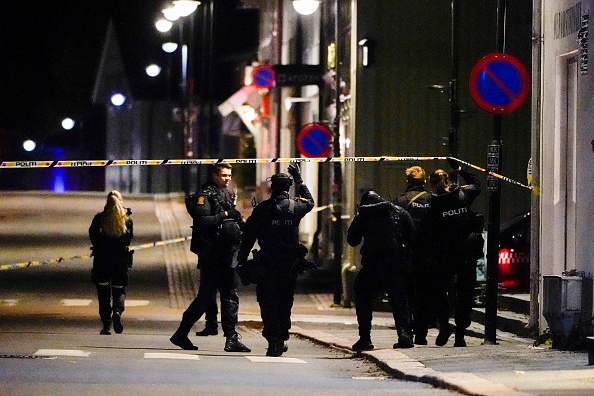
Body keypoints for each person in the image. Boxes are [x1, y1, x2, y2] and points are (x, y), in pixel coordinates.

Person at [171, 163, 250, 353]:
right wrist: (225, 215)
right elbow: (202, 222)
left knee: (230, 296)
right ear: (214, 175)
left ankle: (231, 338)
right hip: (212, 255)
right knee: (205, 298)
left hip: (229, 253)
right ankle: (181, 333)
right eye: (223, 175)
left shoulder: (228, 194)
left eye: (229, 175)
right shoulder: (204, 196)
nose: (227, 178)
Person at [237, 164, 314, 357]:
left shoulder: (262, 209)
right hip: (289, 265)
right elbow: (311, 202)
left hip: (267, 263)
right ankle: (281, 336)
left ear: (272, 188)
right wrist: (300, 180)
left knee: (267, 301)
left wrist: (240, 260)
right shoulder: (296, 207)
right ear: (288, 188)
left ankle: (273, 338)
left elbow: (249, 237)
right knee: (285, 301)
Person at [347, 190, 416, 351]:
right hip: (395, 264)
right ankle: (405, 333)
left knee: (362, 295)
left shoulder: (364, 214)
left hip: (372, 265)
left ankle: (365, 338)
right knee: (399, 300)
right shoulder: (399, 212)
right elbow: (412, 237)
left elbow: (352, 240)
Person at [424, 158, 482, 347]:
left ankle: (444, 326)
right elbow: (477, 184)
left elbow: (427, 232)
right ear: (448, 180)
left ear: (432, 185)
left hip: (444, 256)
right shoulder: (463, 195)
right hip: (466, 254)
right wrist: (460, 168)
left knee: (439, 292)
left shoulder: (432, 204)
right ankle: (460, 334)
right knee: (465, 294)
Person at [395, 166, 432, 345]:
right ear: (424, 181)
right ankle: (422, 334)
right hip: (428, 254)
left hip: (406, 254)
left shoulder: (401, 202)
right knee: (424, 294)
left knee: (406, 295)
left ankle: (406, 332)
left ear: (408, 181)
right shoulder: (432, 200)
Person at [89, 190, 134, 335]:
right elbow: (128, 239)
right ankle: (117, 311)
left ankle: (106, 324)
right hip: (120, 261)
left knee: (103, 293)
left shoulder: (99, 219)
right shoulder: (126, 220)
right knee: (119, 289)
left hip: (102, 261)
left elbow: (92, 236)